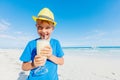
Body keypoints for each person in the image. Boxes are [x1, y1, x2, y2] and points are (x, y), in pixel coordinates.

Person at [20, 8, 64, 80]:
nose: (43, 31)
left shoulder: (56, 43)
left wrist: (50, 56)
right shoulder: (31, 44)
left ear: (52, 28)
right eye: (40, 27)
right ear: (36, 27)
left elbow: (61, 61)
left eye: (47, 27)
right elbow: (24, 67)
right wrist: (33, 64)